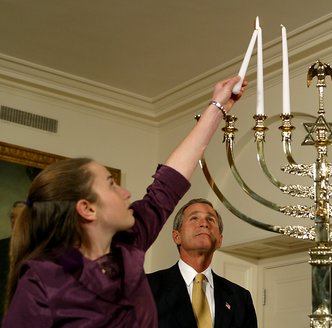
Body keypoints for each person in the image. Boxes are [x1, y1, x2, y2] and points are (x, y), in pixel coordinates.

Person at [2, 76, 247, 327]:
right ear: (87, 209)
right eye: (111, 184)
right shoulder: (43, 282)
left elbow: (167, 186)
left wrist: (216, 107)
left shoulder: (126, 246)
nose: (126, 192)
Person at [147, 198, 258, 328]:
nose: (204, 223)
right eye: (194, 218)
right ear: (177, 236)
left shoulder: (240, 298)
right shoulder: (146, 287)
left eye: (211, 219)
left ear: (219, 240)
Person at [0, 201, 26, 323]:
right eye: (12, 217)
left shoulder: (41, 250)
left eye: (20, 217)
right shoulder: (1, 247)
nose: (14, 221)